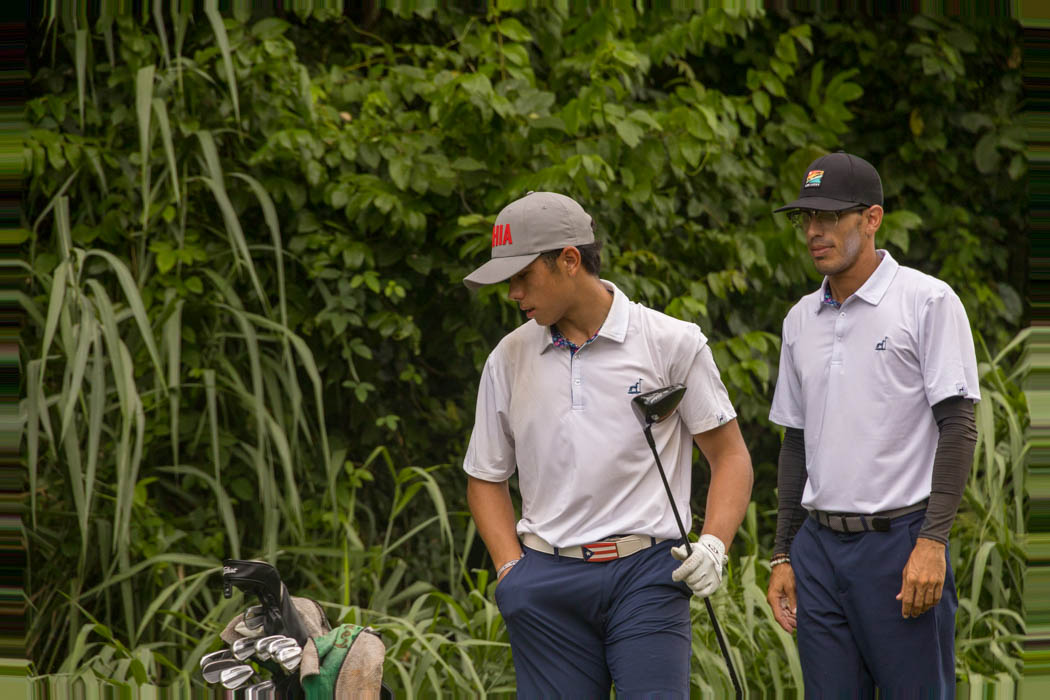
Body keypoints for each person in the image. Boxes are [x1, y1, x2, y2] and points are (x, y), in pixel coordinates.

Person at [462, 191, 754, 697]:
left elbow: (729, 457)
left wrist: (713, 545)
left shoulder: (670, 342)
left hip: (648, 574)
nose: (513, 293)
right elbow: (486, 477)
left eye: (522, 275)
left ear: (568, 260)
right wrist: (511, 571)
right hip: (545, 582)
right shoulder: (508, 357)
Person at [765, 152, 980, 697]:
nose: (814, 232)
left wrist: (932, 541)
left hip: (900, 545)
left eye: (830, 216)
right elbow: (795, 442)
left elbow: (958, 427)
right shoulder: (799, 319)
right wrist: (783, 552)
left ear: (871, 218)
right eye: (806, 218)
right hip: (818, 551)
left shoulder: (926, 301)